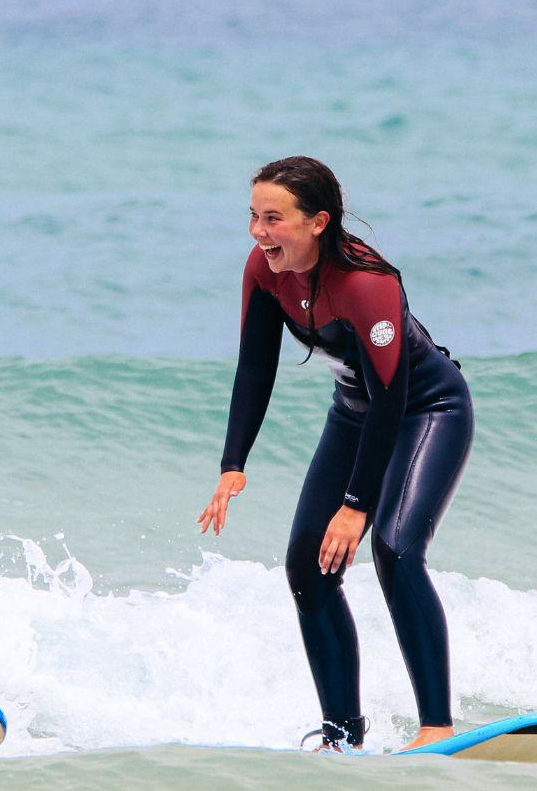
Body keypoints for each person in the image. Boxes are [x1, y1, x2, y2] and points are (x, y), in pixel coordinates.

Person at [198, 157, 472, 752]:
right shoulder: (266, 271)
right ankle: (341, 736)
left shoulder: (367, 284)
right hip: (355, 412)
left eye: (273, 219)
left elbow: (392, 398)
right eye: (253, 216)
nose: (258, 232)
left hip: (425, 412)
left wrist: (355, 505)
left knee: (395, 549)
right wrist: (232, 464)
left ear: (318, 222)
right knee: (308, 568)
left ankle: (436, 728)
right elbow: (254, 366)